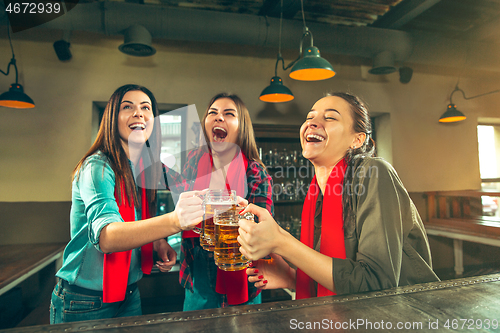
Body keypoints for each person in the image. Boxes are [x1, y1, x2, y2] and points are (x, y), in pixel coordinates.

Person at [238, 92, 439, 298]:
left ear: (357, 139)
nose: (312, 123)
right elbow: (342, 278)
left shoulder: (373, 172)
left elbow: (377, 284)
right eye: (310, 117)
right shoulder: (317, 194)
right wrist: (292, 277)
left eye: (330, 117)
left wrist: (283, 242)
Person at [50, 84, 204, 324]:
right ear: (112, 118)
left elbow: (132, 220)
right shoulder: (97, 167)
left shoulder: (140, 168)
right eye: (127, 107)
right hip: (84, 300)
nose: (138, 113)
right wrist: (174, 221)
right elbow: (108, 237)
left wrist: (157, 241)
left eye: (146, 108)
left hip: (129, 294)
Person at [173, 93, 274, 310]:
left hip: (242, 271)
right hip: (197, 271)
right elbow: (178, 213)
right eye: (213, 113)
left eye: (229, 114)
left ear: (242, 127)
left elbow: (264, 233)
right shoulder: (191, 162)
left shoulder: (255, 172)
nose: (219, 118)